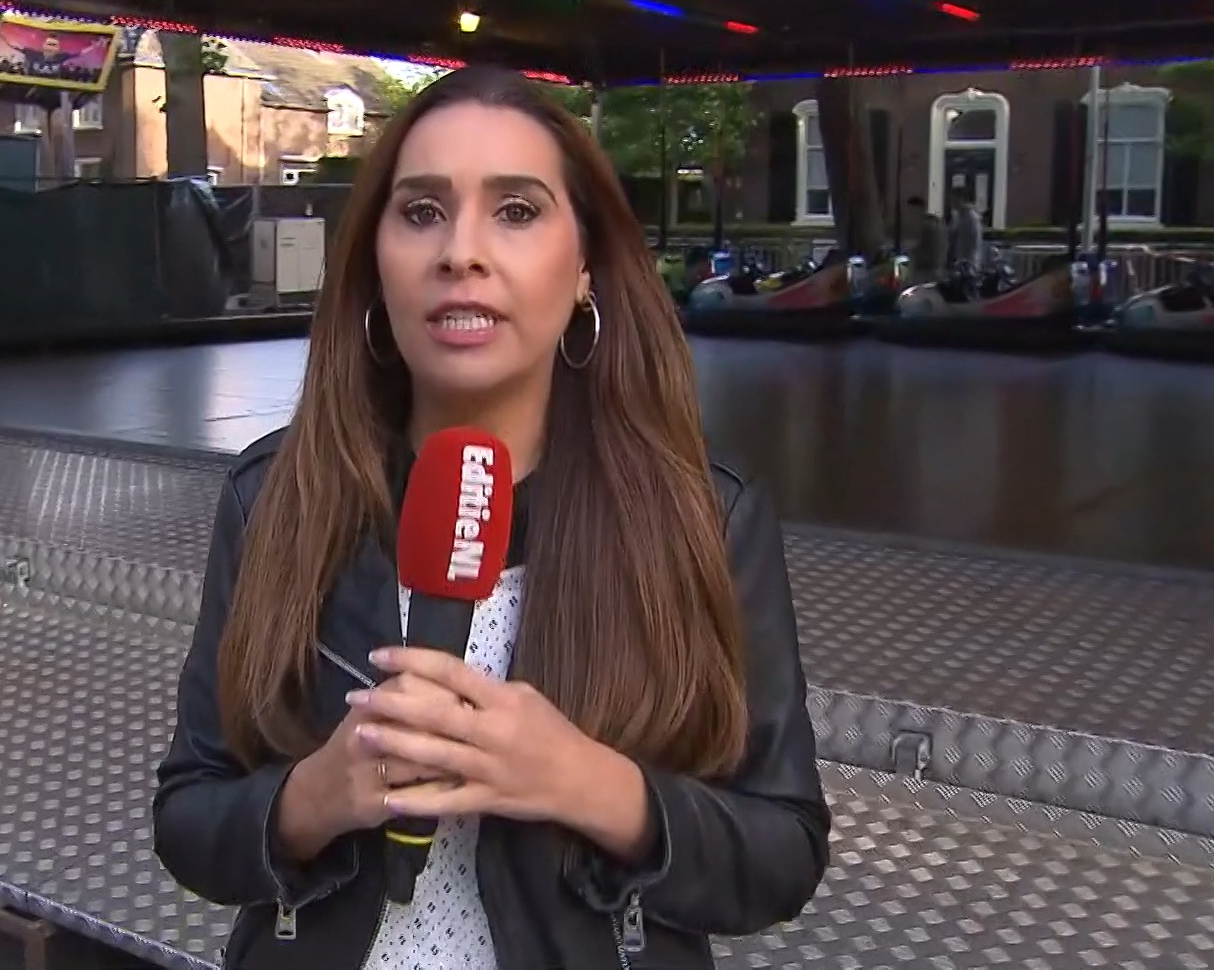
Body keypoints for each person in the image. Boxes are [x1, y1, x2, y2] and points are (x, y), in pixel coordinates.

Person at [152, 66, 829, 970]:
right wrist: (314, 797)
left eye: (515, 211)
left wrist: (592, 787)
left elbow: (782, 852)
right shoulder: (274, 497)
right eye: (422, 212)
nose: (460, 252)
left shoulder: (705, 515)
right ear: (374, 261)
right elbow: (188, 816)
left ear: (584, 266)